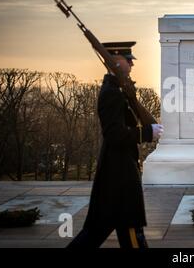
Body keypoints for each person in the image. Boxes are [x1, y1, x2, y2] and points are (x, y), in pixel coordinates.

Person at [67, 41, 163, 249]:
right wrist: (147, 132)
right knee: (128, 228)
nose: (132, 64)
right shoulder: (112, 93)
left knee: (99, 230)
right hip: (119, 173)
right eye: (129, 60)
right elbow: (114, 134)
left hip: (117, 170)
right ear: (117, 62)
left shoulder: (118, 89)